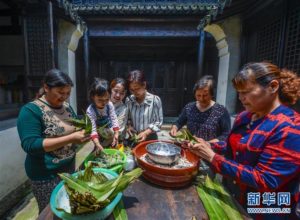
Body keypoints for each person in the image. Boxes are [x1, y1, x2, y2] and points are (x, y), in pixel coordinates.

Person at [188, 62, 300, 219]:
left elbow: (266, 179)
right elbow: (235, 147)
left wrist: (212, 157)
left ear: (273, 87)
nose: (240, 98)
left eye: (246, 92)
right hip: (235, 197)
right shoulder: (246, 116)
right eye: (239, 92)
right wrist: (210, 145)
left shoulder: (290, 127)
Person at [17, 69, 90, 212]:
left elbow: (75, 128)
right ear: (46, 87)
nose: (65, 97)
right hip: (45, 174)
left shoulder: (67, 107)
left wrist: (83, 134)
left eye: (68, 93)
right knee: (49, 212)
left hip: (68, 167)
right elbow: (31, 145)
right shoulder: (31, 111)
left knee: (66, 206)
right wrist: (71, 138)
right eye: (60, 92)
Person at [170, 75, 231, 142]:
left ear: (212, 94)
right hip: (190, 148)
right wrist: (174, 128)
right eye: (198, 95)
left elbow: (226, 135)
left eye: (205, 95)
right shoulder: (189, 108)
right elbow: (179, 122)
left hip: (210, 150)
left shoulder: (221, 111)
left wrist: (207, 143)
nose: (201, 99)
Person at [126, 70, 163, 142]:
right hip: (134, 137)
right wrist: (129, 127)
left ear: (144, 85)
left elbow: (158, 122)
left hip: (150, 138)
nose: (135, 92)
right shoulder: (129, 100)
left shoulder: (155, 100)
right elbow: (128, 119)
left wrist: (146, 133)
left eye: (137, 89)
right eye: (132, 90)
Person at [86, 78, 119, 151]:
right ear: (92, 97)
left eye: (107, 99)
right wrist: (97, 144)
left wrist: (116, 134)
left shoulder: (109, 105)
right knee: (99, 151)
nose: (104, 103)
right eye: (100, 100)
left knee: (112, 149)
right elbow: (93, 129)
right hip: (97, 136)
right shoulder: (91, 110)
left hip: (109, 133)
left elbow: (114, 119)